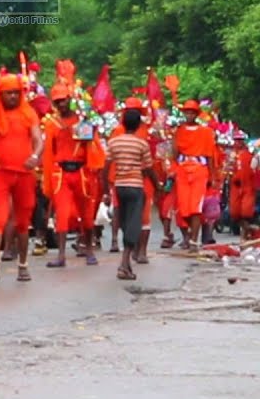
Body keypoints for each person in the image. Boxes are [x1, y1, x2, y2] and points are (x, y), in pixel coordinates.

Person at [0, 74, 43, 284]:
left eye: (17, 93)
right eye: (9, 93)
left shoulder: (28, 113)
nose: (13, 97)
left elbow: (38, 139)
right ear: (1, 94)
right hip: (1, 173)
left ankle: (23, 265)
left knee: (23, 223)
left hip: (25, 175)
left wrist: (35, 156)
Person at [42, 84, 104, 268]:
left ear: (70, 99)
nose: (61, 104)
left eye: (64, 99)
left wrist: (88, 129)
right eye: (58, 101)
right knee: (62, 214)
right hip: (61, 173)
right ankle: (61, 256)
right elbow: (49, 152)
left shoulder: (81, 120)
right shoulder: (51, 124)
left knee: (86, 213)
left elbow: (89, 146)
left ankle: (89, 250)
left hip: (81, 173)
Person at [103, 107, 158, 280]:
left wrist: (106, 189)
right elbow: (148, 168)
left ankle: (126, 265)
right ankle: (123, 263)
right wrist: (158, 185)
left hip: (119, 186)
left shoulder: (114, 142)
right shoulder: (141, 144)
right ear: (139, 124)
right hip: (135, 186)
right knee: (134, 224)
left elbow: (105, 168)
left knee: (125, 223)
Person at [171, 100, 218, 250]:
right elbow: (174, 154)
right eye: (187, 112)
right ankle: (191, 233)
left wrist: (212, 176)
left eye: (192, 112)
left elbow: (210, 155)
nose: (189, 115)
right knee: (183, 208)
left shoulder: (205, 132)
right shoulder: (179, 131)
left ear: (197, 114)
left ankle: (193, 240)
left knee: (195, 207)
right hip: (182, 169)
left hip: (199, 169)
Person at [227, 131, 255, 239]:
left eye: (240, 140)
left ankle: (244, 235)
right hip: (235, 186)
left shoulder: (250, 154)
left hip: (248, 186)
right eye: (236, 140)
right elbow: (227, 170)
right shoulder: (231, 155)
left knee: (246, 212)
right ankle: (248, 230)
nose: (238, 142)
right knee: (234, 213)